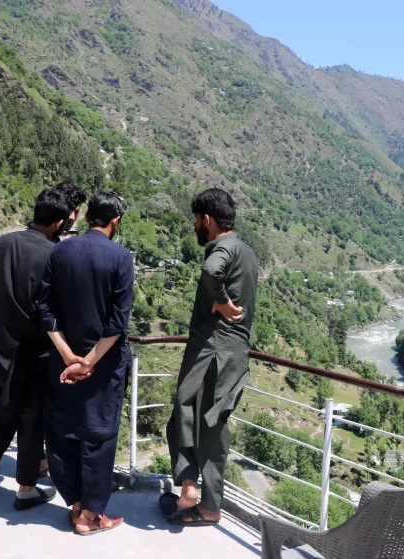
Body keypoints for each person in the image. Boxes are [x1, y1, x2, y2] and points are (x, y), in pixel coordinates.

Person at [37, 192, 134, 535]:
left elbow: (45, 309)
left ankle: (75, 504)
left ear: (89, 215)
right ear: (115, 221)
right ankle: (91, 516)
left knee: (62, 429)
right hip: (102, 366)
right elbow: (117, 321)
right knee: (99, 433)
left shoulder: (60, 250)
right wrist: (89, 361)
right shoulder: (121, 257)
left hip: (61, 361)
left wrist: (67, 355)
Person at [0, 188, 73, 509]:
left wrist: (6, 305)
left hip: (3, 350)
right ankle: (25, 491)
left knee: (1, 418)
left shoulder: (3, 243)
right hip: (38, 353)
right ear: (58, 222)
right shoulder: (55, 254)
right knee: (32, 424)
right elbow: (60, 307)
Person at [162, 188, 258, 526]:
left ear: (207, 220)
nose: (195, 226)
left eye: (196, 220)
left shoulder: (222, 248)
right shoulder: (246, 251)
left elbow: (210, 272)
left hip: (210, 349)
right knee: (214, 427)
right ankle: (206, 501)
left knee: (183, 417)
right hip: (235, 353)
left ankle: (192, 491)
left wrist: (218, 300)